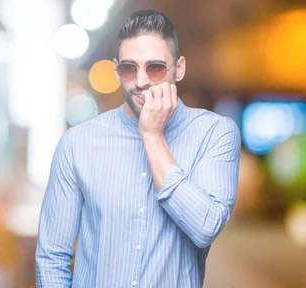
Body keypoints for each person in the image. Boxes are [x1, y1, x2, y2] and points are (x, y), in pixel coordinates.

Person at [35, 10, 241, 288]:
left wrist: (153, 135)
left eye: (155, 67)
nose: (141, 81)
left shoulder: (215, 134)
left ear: (178, 68)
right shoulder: (77, 144)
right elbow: (52, 257)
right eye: (129, 68)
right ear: (116, 70)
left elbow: (205, 228)